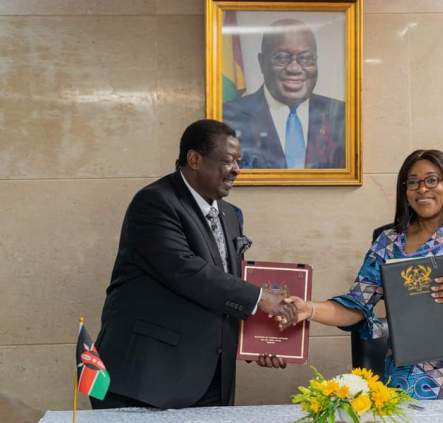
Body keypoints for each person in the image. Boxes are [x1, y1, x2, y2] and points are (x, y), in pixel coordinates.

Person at [285, 149, 443, 399]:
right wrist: (309, 309)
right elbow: (357, 305)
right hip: (406, 380)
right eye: (413, 182)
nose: (422, 189)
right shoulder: (388, 242)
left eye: (432, 180)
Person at [92, 119, 296, 410]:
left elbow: (225, 286)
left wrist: (261, 341)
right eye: (228, 161)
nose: (237, 170)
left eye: (239, 161)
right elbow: (185, 270)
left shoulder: (230, 214)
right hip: (148, 379)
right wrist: (262, 299)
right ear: (195, 159)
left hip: (212, 379)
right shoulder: (155, 202)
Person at [223, 19, 345, 169]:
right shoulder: (227, 116)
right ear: (261, 62)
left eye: (306, 58)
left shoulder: (342, 115)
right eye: (281, 58)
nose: (294, 68)